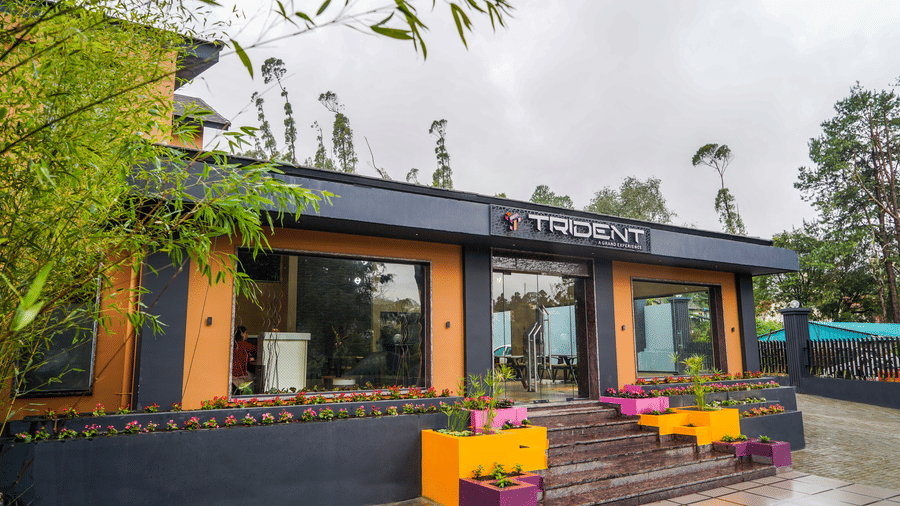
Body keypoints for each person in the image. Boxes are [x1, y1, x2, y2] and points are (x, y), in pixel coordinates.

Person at [232, 326, 257, 393]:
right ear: (242, 334)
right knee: (255, 378)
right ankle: (252, 395)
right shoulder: (243, 344)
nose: (247, 335)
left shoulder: (233, 344)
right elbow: (257, 349)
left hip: (232, 373)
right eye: (246, 333)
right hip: (240, 374)